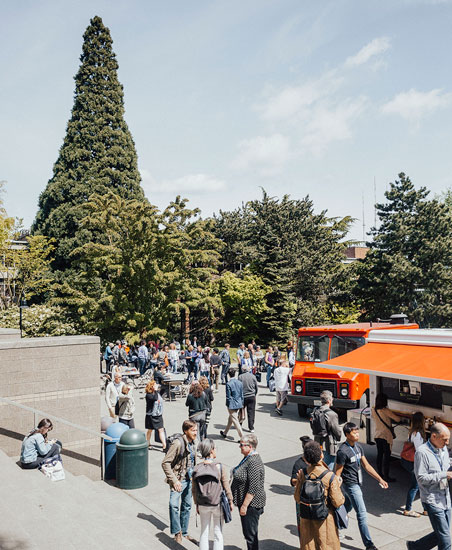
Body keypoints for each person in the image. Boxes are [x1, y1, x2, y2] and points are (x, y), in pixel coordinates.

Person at [335, 422, 388, 550]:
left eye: (357, 431)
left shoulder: (358, 447)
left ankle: (335, 527)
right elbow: (337, 473)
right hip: (350, 485)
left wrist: (380, 479)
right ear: (347, 434)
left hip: (357, 483)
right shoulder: (343, 451)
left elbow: (367, 466)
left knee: (347, 506)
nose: (357, 434)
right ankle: (369, 545)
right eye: (354, 432)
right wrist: (335, 489)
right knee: (362, 514)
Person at [406, 422, 452, 550]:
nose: (447, 442)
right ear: (434, 436)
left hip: (446, 498)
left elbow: (446, 465)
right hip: (432, 500)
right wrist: (444, 474)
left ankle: (416, 547)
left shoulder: (443, 449)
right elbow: (421, 478)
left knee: (442, 534)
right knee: (446, 539)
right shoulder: (422, 452)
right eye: (445, 439)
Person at [295, 440, 345, 550]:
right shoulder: (329, 476)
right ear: (321, 455)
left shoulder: (303, 473)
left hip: (307, 520)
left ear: (306, 459)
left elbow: (297, 497)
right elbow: (338, 501)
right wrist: (339, 485)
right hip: (325, 520)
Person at [192, 439, 233, 550]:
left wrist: (196, 503)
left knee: (204, 532)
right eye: (215, 448)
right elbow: (226, 486)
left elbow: (194, 489)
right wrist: (230, 500)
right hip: (217, 504)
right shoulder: (219, 467)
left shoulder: (197, 468)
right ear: (211, 450)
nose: (216, 450)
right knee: (218, 533)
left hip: (202, 504)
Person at [162, 420, 198, 544]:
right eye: (193, 430)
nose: (196, 433)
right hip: (178, 480)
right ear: (185, 431)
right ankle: (177, 532)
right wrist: (174, 480)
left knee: (187, 506)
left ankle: (185, 531)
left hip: (189, 479)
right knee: (173, 505)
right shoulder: (177, 444)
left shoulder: (193, 442)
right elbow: (165, 463)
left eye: (196, 430)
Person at [231, 434, 266, 550]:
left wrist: (244, 506)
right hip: (247, 503)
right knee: (249, 533)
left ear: (250, 447)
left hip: (251, 505)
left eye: (242, 445)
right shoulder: (248, 457)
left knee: (250, 535)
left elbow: (253, 487)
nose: (240, 447)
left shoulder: (254, 462)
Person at [372, 392, 401, 482]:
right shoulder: (385, 410)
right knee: (387, 457)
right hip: (385, 436)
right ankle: (386, 476)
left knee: (380, 455)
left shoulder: (374, 410)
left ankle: (379, 473)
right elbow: (397, 419)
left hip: (377, 435)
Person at [311, 390, 342, 470]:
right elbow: (336, 430)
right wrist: (339, 437)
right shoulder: (332, 414)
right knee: (328, 469)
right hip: (329, 444)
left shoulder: (315, 411)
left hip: (318, 442)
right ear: (329, 400)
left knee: (319, 467)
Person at [290, 436, 312, 538]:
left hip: (315, 498)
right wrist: (300, 479)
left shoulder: (315, 461)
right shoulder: (299, 463)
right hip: (302, 498)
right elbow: (293, 481)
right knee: (302, 524)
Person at [220, 370, 244, 441]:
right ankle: (225, 433)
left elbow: (228, 396)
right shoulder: (240, 383)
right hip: (239, 402)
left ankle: (242, 437)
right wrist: (241, 402)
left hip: (232, 404)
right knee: (231, 418)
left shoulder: (228, 384)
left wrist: (228, 404)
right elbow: (241, 394)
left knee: (235, 420)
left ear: (229, 375)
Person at [145, 380, 166, 451]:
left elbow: (163, 390)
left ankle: (164, 445)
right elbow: (155, 398)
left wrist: (163, 383)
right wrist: (156, 391)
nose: (156, 385)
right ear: (151, 386)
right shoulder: (148, 395)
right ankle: (147, 443)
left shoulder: (157, 393)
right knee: (150, 430)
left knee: (161, 429)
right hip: (151, 415)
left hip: (158, 414)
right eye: (154, 385)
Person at [238, 365, 258, 433]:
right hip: (251, 396)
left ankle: (240, 424)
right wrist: (254, 394)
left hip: (243, 396)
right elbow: (256, 387)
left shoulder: (240, 377)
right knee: (251, 412)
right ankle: (251, 427)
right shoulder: (253, 376)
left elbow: (238, 387)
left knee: (241, 411)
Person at [199, 376, 214, 440]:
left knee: (201, 423)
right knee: (206, 423)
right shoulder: (209, 389)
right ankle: (205, 435)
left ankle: (202, 434)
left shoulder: (199, 389)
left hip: (201, 407)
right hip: (208, 407)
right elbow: (212, 398)